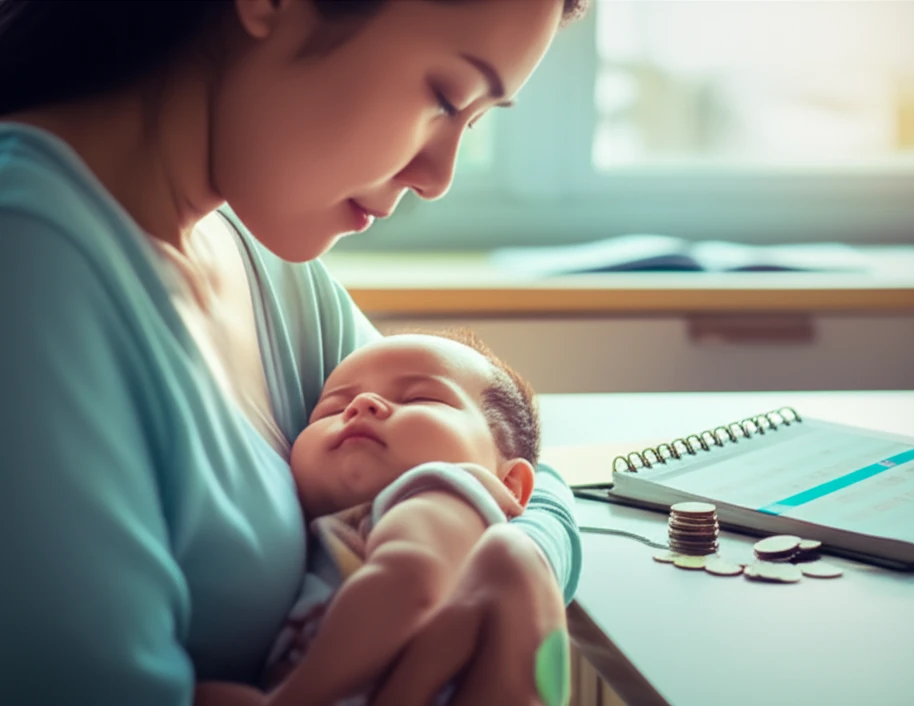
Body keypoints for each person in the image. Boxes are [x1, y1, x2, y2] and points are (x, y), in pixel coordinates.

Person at [0, 1, 589, 705]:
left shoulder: (250, 251)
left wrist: (511, 550)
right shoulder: (29, 270)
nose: (439, 176)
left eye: (477, 122)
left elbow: (502, 449)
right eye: (445, 96)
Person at [196, 330, 546, 706]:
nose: (362, 404)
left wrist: (292, 698)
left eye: (421, 398)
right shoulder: (335, 533)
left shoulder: (447, 491)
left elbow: (410, 582)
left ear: (508, 484)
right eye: (331, 408)